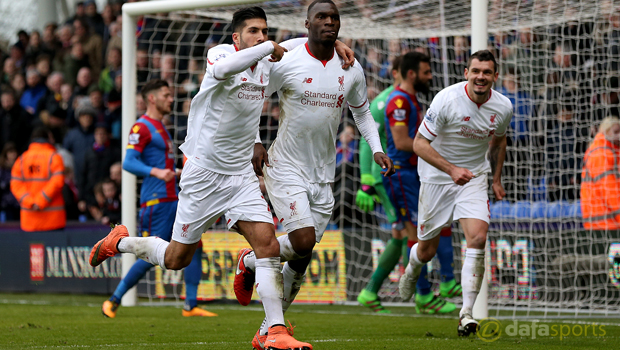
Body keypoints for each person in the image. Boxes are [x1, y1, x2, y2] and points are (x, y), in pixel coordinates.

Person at [89, 7, 353, 349]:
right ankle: (118, 242)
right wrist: (266, 46)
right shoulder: (222, 55)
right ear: (236, 37)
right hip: (204, 175)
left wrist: (338, 43)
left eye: (264, 31)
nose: (260, 36)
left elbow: (303, 45)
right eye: (253, 31)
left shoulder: (269, 62)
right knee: (176, 260)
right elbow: (233, 64)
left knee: (268, 246)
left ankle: (273, 332)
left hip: (241, 175)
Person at [236, 1, 394, 348]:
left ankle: (268, 329)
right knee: (304, 240)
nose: (329, 22)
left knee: (302, 255)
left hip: (324, 171)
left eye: (334, 17)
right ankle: (252, 262)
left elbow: (363, 112)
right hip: (286, 165)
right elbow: (253, 96)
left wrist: (377, 147)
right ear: (307, 23)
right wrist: (255, 141)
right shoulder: (288, 59)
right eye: (321, 17)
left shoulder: (350, 67)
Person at [400, 50, 512, 336]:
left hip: (473, 176)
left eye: (487, 72)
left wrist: (496, 179)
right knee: (427, 250)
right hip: (437, 177)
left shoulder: (503, 107)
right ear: (466, 73)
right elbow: (419, 144)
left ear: (494, 77)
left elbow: (499, 141)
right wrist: (450, 170)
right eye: (476, 71)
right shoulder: (447, 99)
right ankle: (412, 267)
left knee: (478, 236)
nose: (481, 76)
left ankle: (466, 314)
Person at [99, 79, 216, 318]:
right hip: (156, 200)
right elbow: (129, 162)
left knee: (194, 245)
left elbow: (159, 165)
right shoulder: (141, 127)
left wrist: (174, 173)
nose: (170, 99)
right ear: (151, 98)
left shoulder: (160, 127)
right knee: (154, 252)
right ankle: (113, 299)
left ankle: (190, 305)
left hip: (173, 197)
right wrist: (157, 173)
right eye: (166, 95)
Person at [382, 51, 461, 315]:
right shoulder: (400, 103)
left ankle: (440, 286)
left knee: (429, 230)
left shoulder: (411, 100)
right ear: (412, 73)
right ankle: (425, 295)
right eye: (427, 72)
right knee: (415, 235)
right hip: (401, 175)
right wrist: (434, 149)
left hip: (414, 175)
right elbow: (403, 142)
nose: (431, 77)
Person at [355, 56, 409, 313]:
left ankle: (370, 291)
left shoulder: (402, 99)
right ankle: (421, 293)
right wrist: (366, 180)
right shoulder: (384, 101)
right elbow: (367, 140)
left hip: (398, 176)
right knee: (408, 233)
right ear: (397, 72)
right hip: (386, 177)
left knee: (402, 235)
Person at [10, 127, 66, 231]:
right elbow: (58, 182)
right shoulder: (54, 157)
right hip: (53, 220)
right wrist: (41, 200)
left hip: (29, 220)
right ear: (47, 138)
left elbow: (15, 186)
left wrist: (30, 202)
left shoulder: (22, 159)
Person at [581, 116, 620, 230]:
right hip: (606, 224)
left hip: (604, 222)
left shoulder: (609, 152)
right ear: (605, 132)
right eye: (616, 132)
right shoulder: (601, 154)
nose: (619, 135)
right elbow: (611, 193)